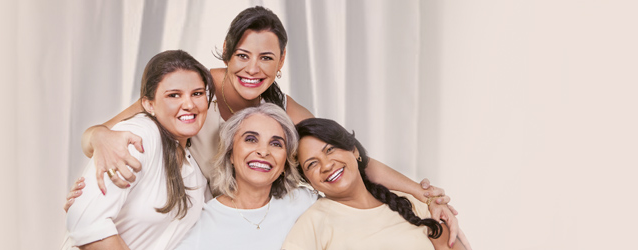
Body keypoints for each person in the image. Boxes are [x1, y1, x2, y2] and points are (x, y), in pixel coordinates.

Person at [68, 6, 464, 245]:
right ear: (227, 51)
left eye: (266, 58)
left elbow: (349, 156)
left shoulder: (280, 107)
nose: (253, 69)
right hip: (195, 214)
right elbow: (116, 125)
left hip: (225, 214)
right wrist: (100, 137)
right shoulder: (194, 86)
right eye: (242, 55)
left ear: (282, 61)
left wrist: (423, 192)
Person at [65, 50, 213, 250]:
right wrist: (97, 135)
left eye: (197, 93)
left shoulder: (193, 167)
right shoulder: (138, 137)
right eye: (174, 95)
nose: (189, 104)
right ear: (148, 104)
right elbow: (87, 223)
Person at [282, 118, 471, 250]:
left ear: (354, 151)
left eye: (330, 149)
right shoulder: (312, 222)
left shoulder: (412, 202)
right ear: (309, 182)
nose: (326, 165)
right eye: (312, 164)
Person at [174, 104, 319, 249]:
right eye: (250, 139)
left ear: (285, 163)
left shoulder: (304, 201)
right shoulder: (201, 222)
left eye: (276, 143)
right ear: (230, 153)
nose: (263, 151)